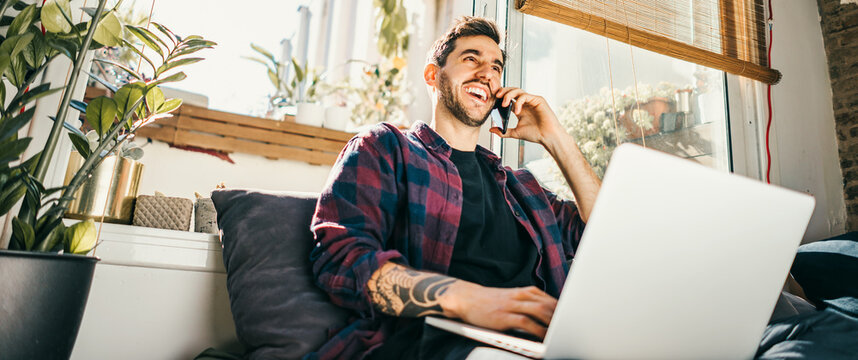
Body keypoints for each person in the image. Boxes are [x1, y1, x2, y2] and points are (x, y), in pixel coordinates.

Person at [309, 16, 601, 359]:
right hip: (433, 345)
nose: (487, 74)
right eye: (471, 59)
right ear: (433, 75)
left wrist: (556, 138)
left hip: (544, 348)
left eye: (496, 66)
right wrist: (467, 299)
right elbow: (341, 262)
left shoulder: (523, 188)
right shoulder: (386, 148)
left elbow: (604, 240)